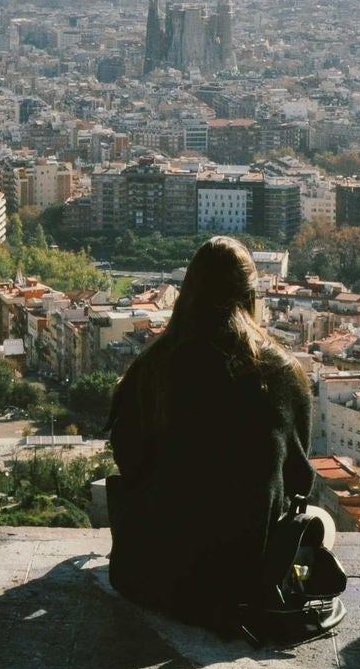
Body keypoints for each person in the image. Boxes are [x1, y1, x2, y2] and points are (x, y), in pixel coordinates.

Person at [104, 236, 323, 632]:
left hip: (155, 574)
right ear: (250, 296)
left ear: (188, 292)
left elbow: (129, 463)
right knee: (322, 520)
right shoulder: (283, 371)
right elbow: (297, 477)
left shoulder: (154, 365)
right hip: (247, 577)